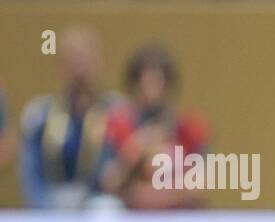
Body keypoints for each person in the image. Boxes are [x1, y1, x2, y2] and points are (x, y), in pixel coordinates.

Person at [18, 27, 119, 209]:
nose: (79, 70)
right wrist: (43, 208)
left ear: (99, 63)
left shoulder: (117, 111)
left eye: (85, 60)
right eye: (72, 61)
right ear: (61, 67)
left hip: (101, 209)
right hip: (54, 205)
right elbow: (31, 176)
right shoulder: (40, 114)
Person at [100, 43, 209, 209]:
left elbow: (201, 186)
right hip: (130, 221)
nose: (151, 89)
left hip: (180, 218)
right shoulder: (118, 126)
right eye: (146, 82)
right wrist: (137, 147)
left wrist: (153, 195)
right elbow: (109, 182)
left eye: (157, 82)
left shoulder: (189, 128)